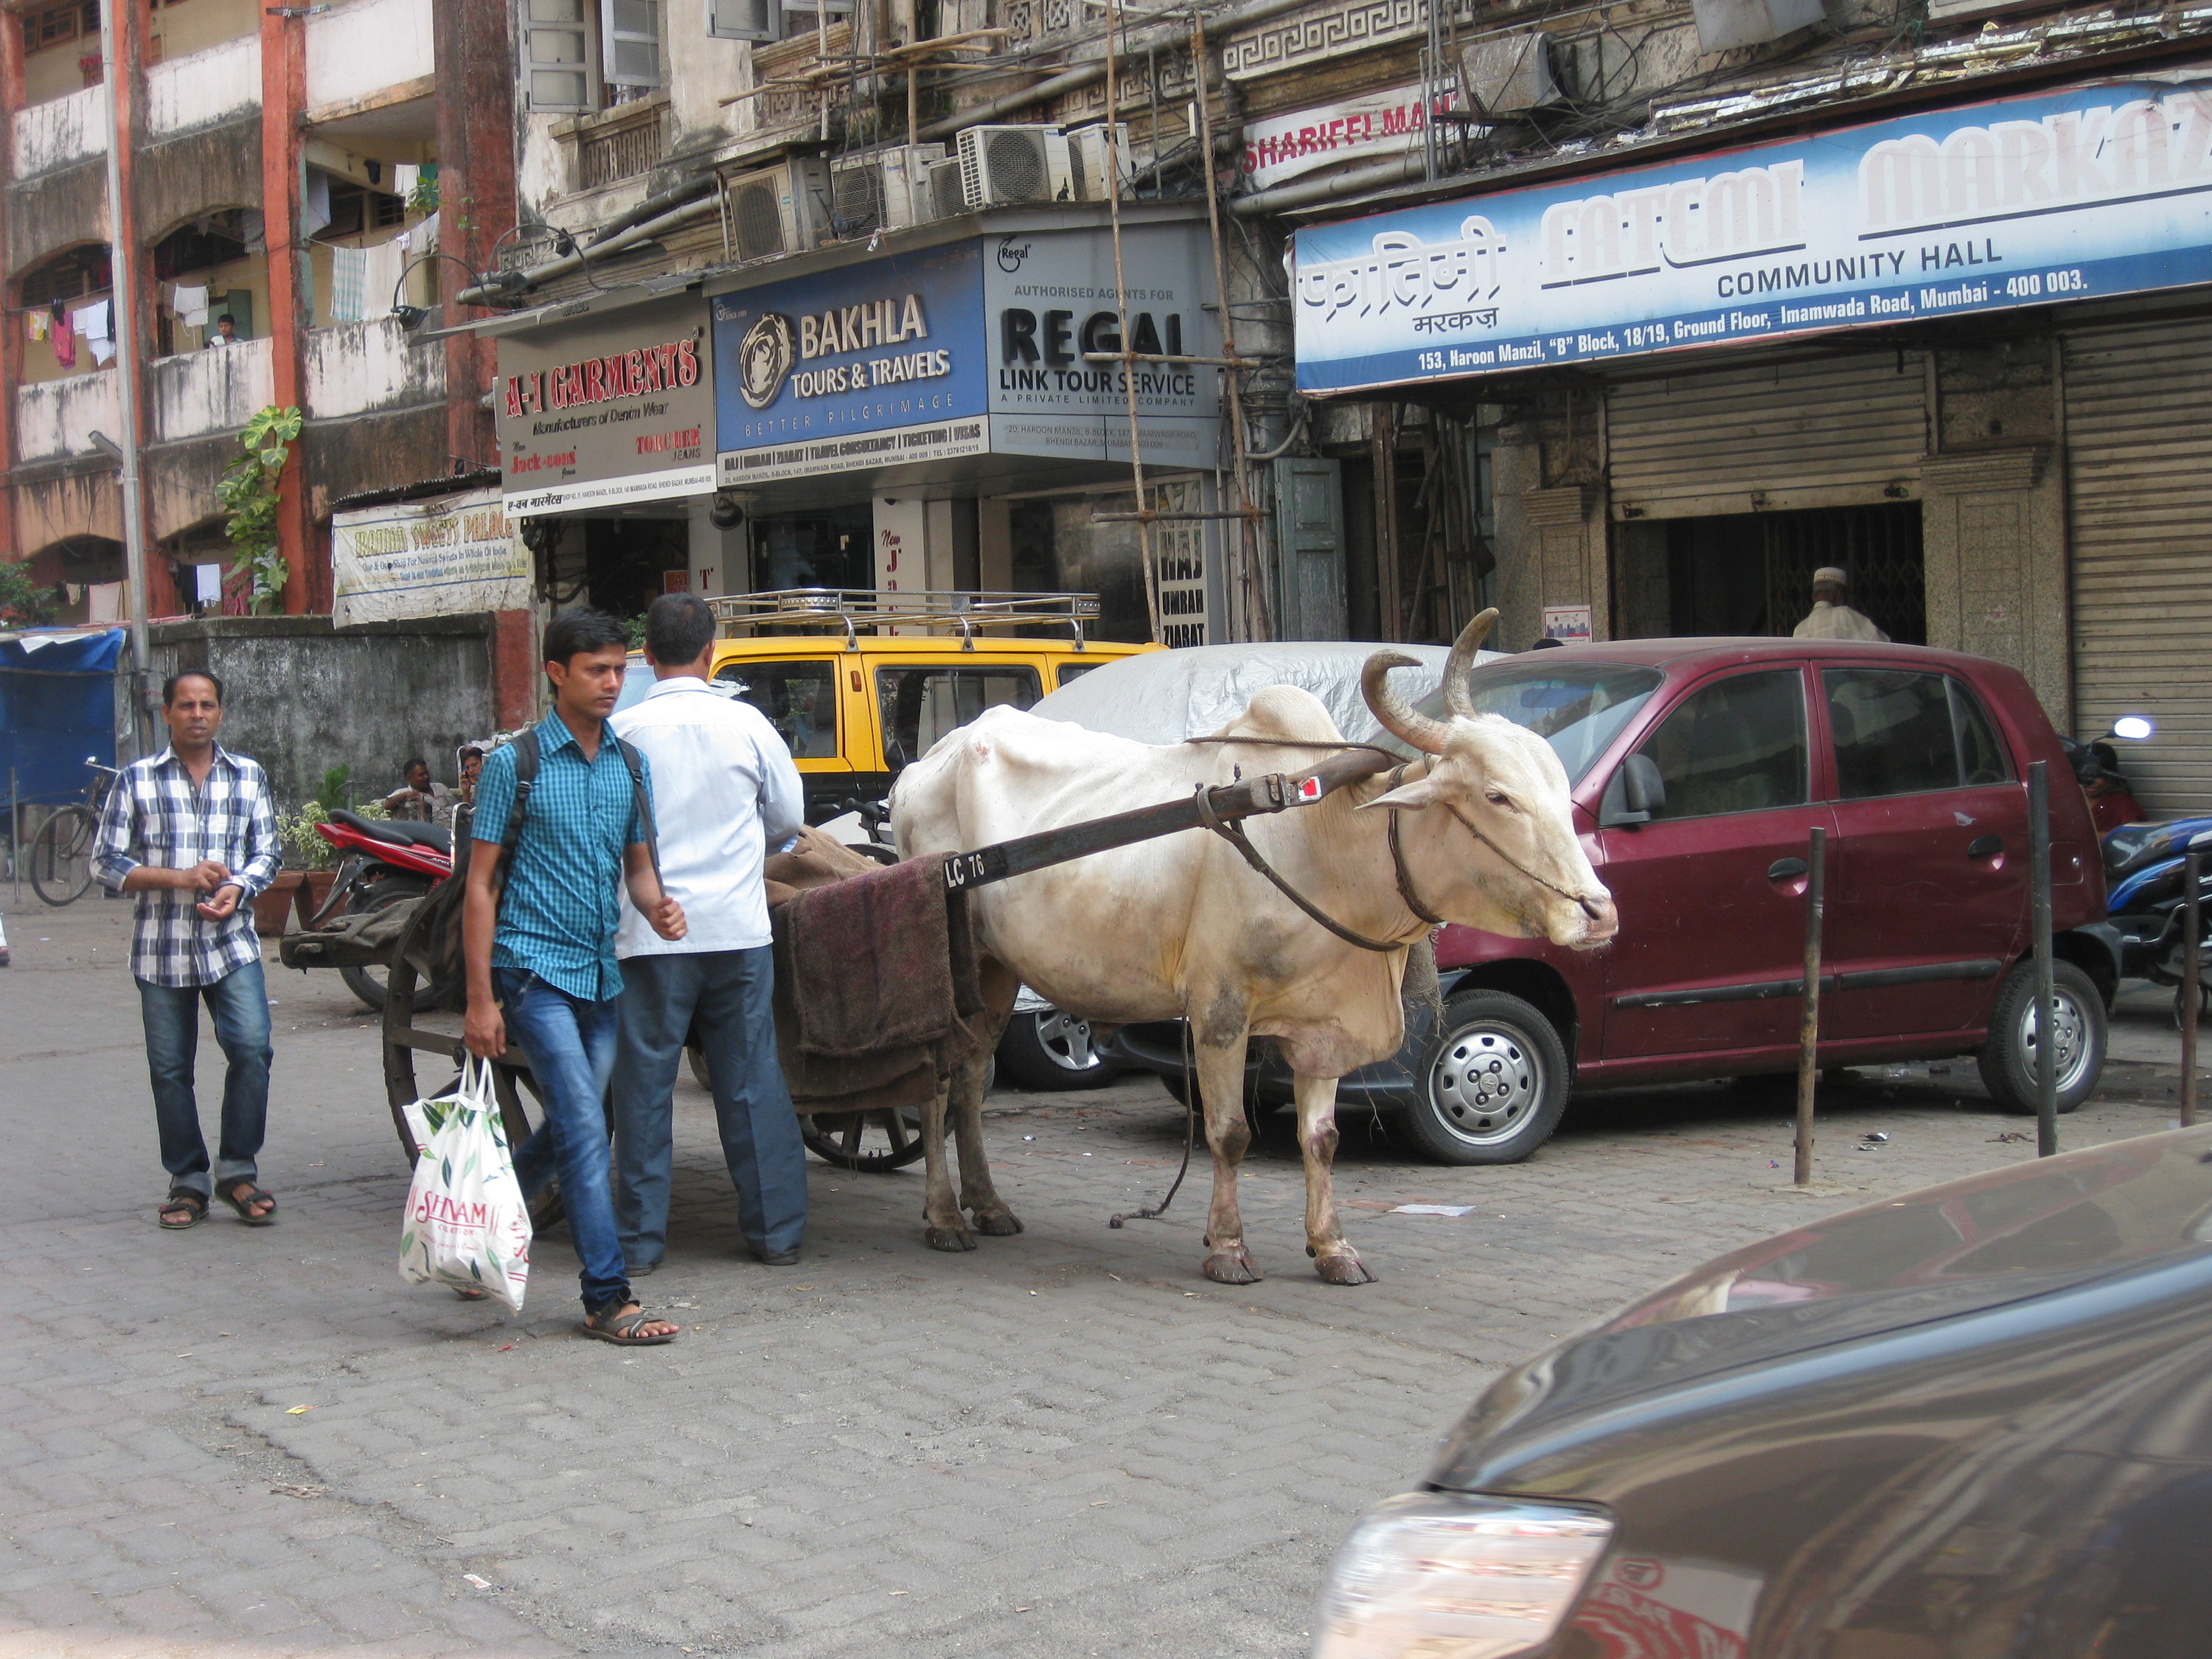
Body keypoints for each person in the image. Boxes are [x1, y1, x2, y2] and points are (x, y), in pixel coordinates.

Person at [462, 608, 689, 1346]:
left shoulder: (630, 764)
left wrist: (660, 912)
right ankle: (606, 1296)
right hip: (531, 971)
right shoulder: (514, 765)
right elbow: (480, 885)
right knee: (588, 1128)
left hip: (601, 975)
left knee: (572, 1123)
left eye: (621, 669)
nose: (613, 683)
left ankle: (483, 1231)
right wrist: (479, 1000)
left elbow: (641, 870)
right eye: (597, 669)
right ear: (557, 673)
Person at [610, 593, 809, 1275]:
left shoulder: (624, 731)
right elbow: (788, 818)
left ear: (646, 657)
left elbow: (608, 831)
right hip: (738, 932)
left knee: (645, 1088)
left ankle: (637, 1245)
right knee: (752, 1079)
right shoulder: (748, 725)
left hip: (651, 935)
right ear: (712, 652)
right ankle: (776, 1233)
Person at [91, 670, 282, 1231]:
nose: (197, 714)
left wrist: (238, 886)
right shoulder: (136, 780)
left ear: (220, 712)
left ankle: (237, 1171)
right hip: (161, 949)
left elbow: (267, 852)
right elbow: (105, 863)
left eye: (207, 705)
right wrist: (179, 877)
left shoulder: (248, 775)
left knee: (252, 1049)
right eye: (186, 705)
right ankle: (188, 1181)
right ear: (168, 714)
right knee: (170, 1070)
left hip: (232, 944)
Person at [1792, 566, 1889, 641]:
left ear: (1813, 596)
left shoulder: (1799, 629)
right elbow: (1881, 644)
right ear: (1840, 593)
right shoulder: (1844, 615)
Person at [382, 757, 452, 824]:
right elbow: (387, 805)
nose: (426, 777)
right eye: (421, 775)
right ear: (409, 778)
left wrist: (463, 791)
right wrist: (405, 795)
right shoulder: (404, 793)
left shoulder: (440, 787)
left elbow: (458, 808)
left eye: (426, 773)